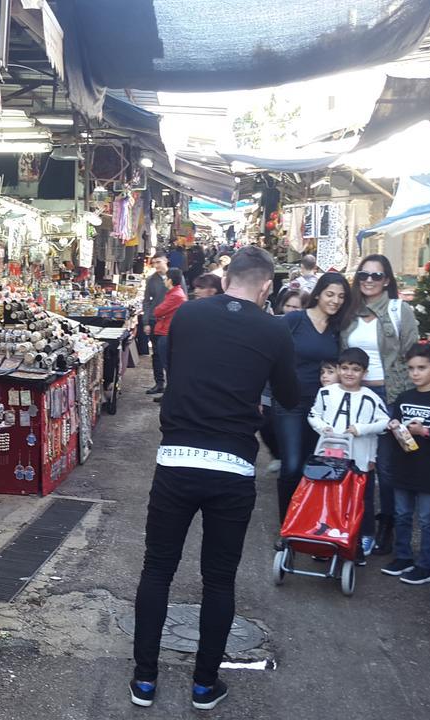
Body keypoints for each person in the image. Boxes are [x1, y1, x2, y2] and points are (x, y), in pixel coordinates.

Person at [131, 246, 297, 711]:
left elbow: (186, 370)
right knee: (219, 580)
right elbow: (288, 394)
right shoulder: (274, 329)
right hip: (232, 467)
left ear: (227, 280)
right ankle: (204, 685)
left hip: (178, 457)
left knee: (157, 569)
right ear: (266, 287)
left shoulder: (188, 315)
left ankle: (144, 680)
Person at [342, 254, 419, 555]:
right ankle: (359, 527)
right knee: (358, 464)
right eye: (364, 275)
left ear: (387, 279)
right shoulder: (349, 313)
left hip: (389, 395)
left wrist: (412, 401)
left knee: (386, 466)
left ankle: (387, 522)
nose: (369, 280)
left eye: (376, 275)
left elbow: (414, 356)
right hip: (355, 396)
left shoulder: (400, 310)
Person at [273, 272, 353, 524]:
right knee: (292, 465)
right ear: (317, 293)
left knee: (315, 465)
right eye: (330, 294)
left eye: (341, 296)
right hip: (290, 403)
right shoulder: (295, 319)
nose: (335, 300)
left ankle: (309, 521)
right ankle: (287, 525)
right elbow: (270, 353)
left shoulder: (337, 329)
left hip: (323, 408)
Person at [381, 344, 430, 585]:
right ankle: (403, 556)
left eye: (421, 368)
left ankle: (426, 565)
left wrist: (425, 430)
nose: (415, 373)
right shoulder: (404, 397)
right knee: (402, 514)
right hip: (403, 465)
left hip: (428, 469)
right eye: (411, 368)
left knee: (427, 518)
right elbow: (397, 425)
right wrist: (394, 427)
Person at [307, 347, 391, 559]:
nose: (349, 373)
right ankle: (327, 537)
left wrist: (361, 430)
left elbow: (384, 423)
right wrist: (323, 427)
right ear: (338, 369)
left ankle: (365, 535)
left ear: (364, 372)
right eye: (344, 368)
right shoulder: (326, 392)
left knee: (361, 499)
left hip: (360, 457)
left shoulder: (370, 397)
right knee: (330, 496)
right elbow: (313, 414)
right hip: (330, 456)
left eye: (355, 369)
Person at [149, 268, 186, 404]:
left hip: (166, 332)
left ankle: (170, 396)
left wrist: (160, 312)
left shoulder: (176, 295)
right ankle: (167, 394)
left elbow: (158, 311)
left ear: (170, 280)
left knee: (168, 366)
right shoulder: (174, 293)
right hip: (165, 330)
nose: (164, 280)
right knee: (167, 364)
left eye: (166, 278)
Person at [142, 254, 168, 394]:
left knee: (170, 354)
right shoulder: (151, 279)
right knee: (156, 354)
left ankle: (172, 386)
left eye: (159, 262)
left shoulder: (175, 276)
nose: (156, 265)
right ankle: (159, 383)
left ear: (166, 261)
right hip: (154, 320)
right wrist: (146, 321)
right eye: (154, 263)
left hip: (170, 320)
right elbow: (146, 301)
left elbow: (183, 298)